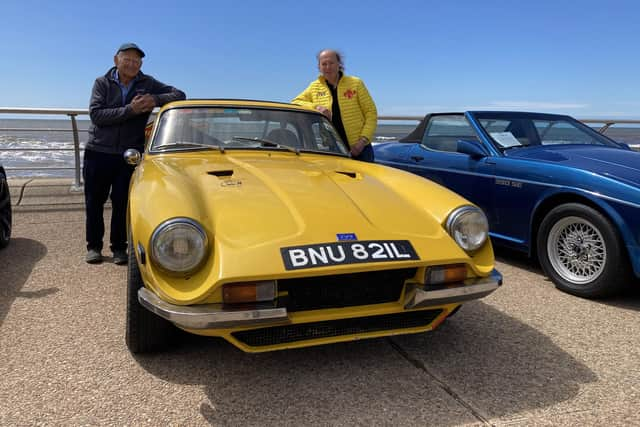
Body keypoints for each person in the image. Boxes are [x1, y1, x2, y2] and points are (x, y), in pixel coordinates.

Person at [84, 43, 186, 265]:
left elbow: (180, 94)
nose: (131, 64)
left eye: (136, 61)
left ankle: (120, 248)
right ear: (116, 60)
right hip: (98, 151)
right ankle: (93, 247)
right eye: (127, 59)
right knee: (94, 202)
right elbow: (97, 115)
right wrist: (130, 110)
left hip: (129, 154)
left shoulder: (147, 83)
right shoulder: (102, 83)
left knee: (123, 202)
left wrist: (155, 100)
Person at [292, 49, 377, 161]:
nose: (328, 67)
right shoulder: (315, 87)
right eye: (324, 64)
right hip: (333, 149)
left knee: (365, 179)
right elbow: (296, 101)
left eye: (331, 63)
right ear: (319, 67)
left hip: (360, 148)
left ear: (339, 64)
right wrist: (316, 107)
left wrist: (362, 142)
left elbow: (371, 113)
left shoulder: (355, 83)